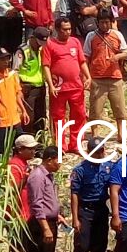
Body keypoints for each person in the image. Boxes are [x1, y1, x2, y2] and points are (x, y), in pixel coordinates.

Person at [24, 146, 66, 252]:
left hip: (50, 223)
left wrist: (57, 216)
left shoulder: (48, 177)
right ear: (49, 160)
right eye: (58, 161)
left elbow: (48, 201)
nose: (60, 164)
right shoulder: (37, 177)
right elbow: (37, 204)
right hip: (40, 226)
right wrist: (46, 228)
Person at [42, 18, 91, 154]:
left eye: (69, 29)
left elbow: (82, 61)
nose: (68, 32)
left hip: (76, 86)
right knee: (58, 117)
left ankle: (75, 144)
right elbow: (46, 66)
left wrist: (88, 76)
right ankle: (60, 146)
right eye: (65, 29)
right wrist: (50, 85)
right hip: (58, 88)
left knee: (79, 115)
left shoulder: (75, 42)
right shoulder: (50, 44)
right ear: (57, 29)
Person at [66, 136, 112, 252]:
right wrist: (75, 218)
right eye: (96, 151)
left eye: (101, 151)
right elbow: (74, 194)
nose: (99, 154)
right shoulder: (80, 170)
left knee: (100, 246)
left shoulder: (108, 166)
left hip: (101, 210)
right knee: (82, 245)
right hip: (85, 210)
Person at [83, 13, 127, 131]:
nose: (104, 25)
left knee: (120, 109)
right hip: (97, 78)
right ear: (98, 22)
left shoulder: (117, 34)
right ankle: (95, 133)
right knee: (95, 109)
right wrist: (86, 76)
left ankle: (121, 133)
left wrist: (117, 57)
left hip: (115, 77)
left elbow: (126, 52)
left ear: (111, 22)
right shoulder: (91, 36)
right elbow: (86, 56)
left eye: (107, 22)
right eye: (102, 22)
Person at [12, 27, 51, 136]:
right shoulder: (22, 50)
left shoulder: (42, 48)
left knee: (41, 116)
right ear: (32, 38)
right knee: (29, 116)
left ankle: (39, 144)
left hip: (41, 86)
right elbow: (15, 71)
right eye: (39, 42)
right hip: (27, 88)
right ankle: (26, 142)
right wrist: (18, 88)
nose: (40, 45)